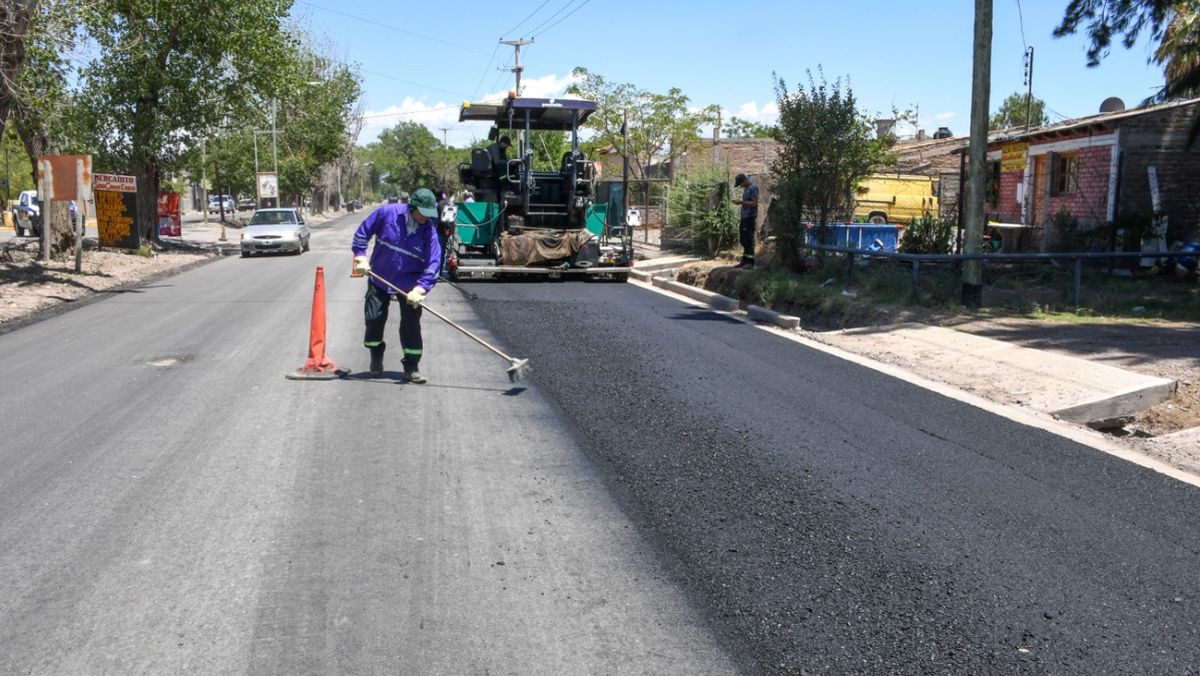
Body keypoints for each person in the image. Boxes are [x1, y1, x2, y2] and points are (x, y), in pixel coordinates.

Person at [351, 187, 442, 384]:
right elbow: (361, 234)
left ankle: (412, 367)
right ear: (412, 207)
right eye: (422, 214)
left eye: (429, 215)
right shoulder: (387, 213)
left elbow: (434, 263)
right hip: (380, 277)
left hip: (409, 283)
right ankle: (376, 352)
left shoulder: (429, 231)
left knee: (411, 324)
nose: (425, 218)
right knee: (373, 319)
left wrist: (421, 288)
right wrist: (360, 257)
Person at [732, 173, 759, 268]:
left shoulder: (753, 188)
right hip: (744, 217)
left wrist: (741, 202)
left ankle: (750, 262)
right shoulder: (746, 189)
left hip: (750, 217)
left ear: (744, 181)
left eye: (740, 184)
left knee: (749, 239)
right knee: (743, 240)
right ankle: (744, 260)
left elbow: (755, 203)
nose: (740, 186)